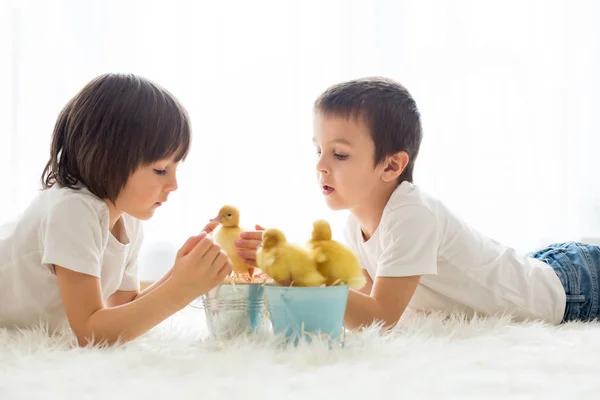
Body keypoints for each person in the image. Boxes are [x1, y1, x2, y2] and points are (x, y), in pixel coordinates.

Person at [311, 76, 600, 329]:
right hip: (541, 268)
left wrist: (308, 279)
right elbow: (366, 310)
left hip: (574, 287)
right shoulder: (355, 226)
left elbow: (381, 318)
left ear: (391, 166)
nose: (321, 165)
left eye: (339, 155)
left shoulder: (410, 214)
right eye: (318, 150)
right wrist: (286, 270)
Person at [0, 73, 234, 346]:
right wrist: (180, 289)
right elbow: (91, 332)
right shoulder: (73, 210)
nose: (173, 184)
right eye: (160, 169)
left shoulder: (128, 220)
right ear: (108, 159)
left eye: (175, 169)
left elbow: (123, 310)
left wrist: (180, 273)